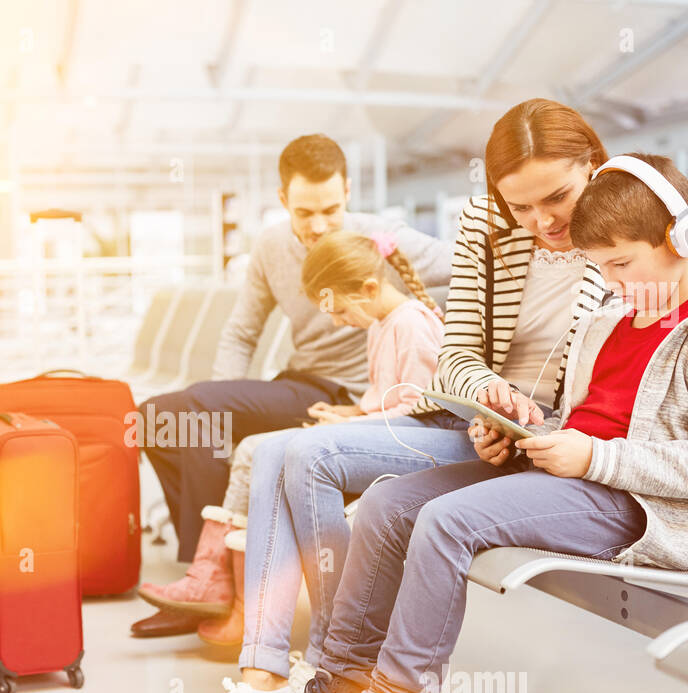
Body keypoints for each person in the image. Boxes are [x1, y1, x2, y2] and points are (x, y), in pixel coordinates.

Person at [268, 153, 688, 693]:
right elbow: (585, 418)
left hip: (641, 504)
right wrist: (519, 436)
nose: (613, 283)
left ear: (683, 238)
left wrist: (592, 458)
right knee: (388, 502)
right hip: (573, 476)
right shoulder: (610, 322)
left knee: (447, 521)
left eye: (622, 264)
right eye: (601, 267)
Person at [176, 98, 612, 693]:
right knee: (273, 451)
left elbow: (617, 382)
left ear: (594, 165)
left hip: (545, 439)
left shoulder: (621, 236)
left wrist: (533, 422)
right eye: (520, 205)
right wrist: (486, 396)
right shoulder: (486, 226)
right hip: (475, 422)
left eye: (556, 198)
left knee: (306, 455)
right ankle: (265, 678)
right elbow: (458, 355)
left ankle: (330, 668)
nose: (541, 222)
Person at [132, 134, 453, 638]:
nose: (319, 225)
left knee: (199, 413)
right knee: (158, 417)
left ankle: (212, 582)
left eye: (331, 209)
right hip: (300, 381)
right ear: (283, 200)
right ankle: (210, 574)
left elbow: (462, 263)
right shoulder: (271, 246)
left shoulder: (378, 239)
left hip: (351, 397)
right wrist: (219, 403)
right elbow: (242, 331)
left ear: (348, 192)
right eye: (305, 212)